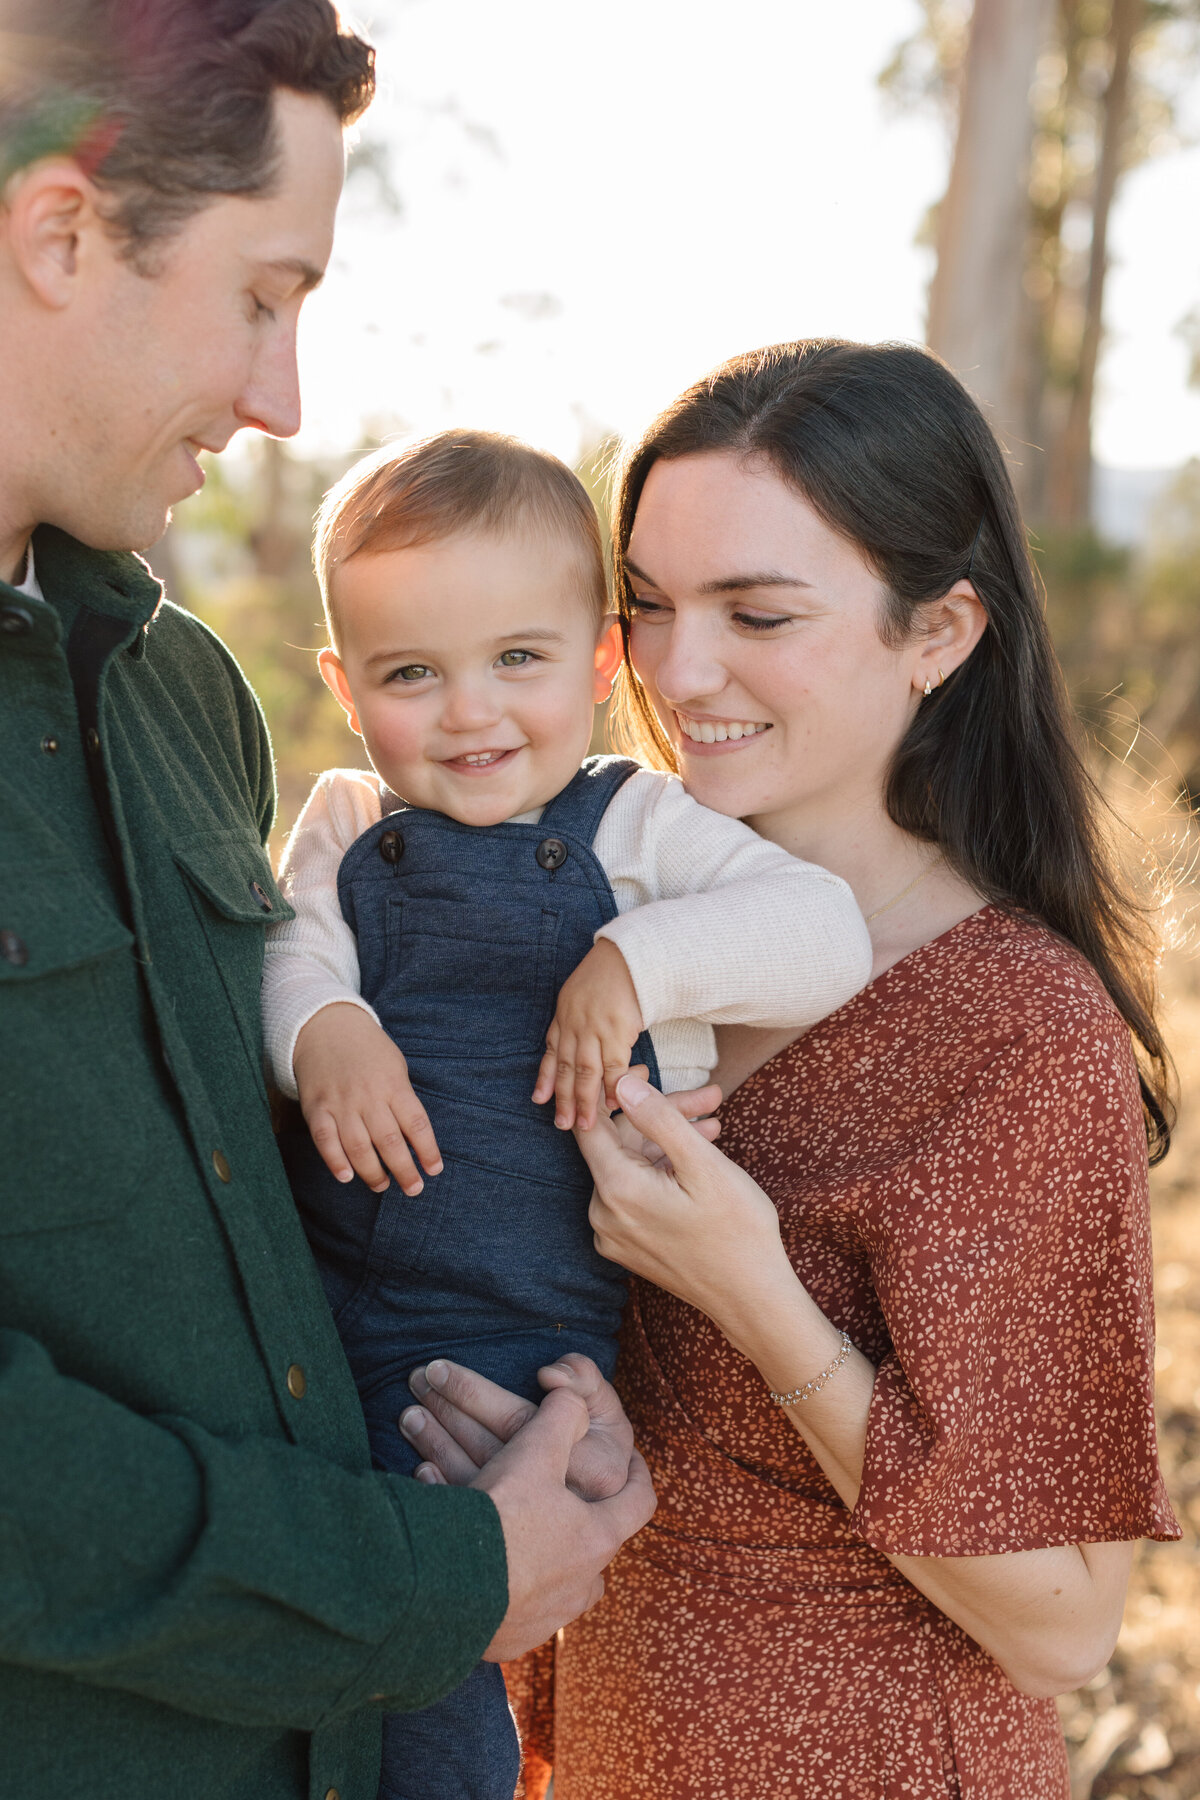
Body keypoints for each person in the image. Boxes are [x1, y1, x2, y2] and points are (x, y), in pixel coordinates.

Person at [0, 6, 655, 1797]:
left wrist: (527, 1437)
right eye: (264, 295)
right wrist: (431, 1575)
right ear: (62, 234)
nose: (284, 395)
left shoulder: (174, 693)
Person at [403, 340, 1182, 1800]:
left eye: (756, 613)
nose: (677, 672)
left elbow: (1067, 1627)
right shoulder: (589, 929)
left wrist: (752, 1293)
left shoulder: (1011, 1030)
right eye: (644, 605)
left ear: (938, 632)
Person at [260, 426, 873, 1800]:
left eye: (518, 662)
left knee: (439, 1698)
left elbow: (819, 930)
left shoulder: (635, 829)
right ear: (345, 689)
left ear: (602, 662)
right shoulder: (347, 820)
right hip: (314, 1325)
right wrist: (328, 1029)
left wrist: (634, 960)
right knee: (300, 1660)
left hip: (518, 1357)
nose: (471, 713)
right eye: (411, 674)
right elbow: (289, 954)